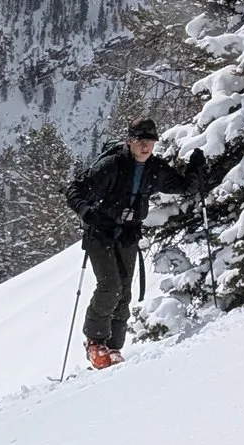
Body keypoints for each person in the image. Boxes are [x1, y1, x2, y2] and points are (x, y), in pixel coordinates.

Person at [65, 118, 196, 368]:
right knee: (110, 285)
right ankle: (95, 342)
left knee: (124, 289)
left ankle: (113, 347)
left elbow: (183, 186)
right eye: (140, 141)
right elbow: (75, 189)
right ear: (130, 140)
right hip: (100, 232)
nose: (146, 146)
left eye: (150, 141)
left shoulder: (154, 168)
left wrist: (196, 170)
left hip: (127, 233)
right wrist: (86, 212)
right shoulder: (113, 165)